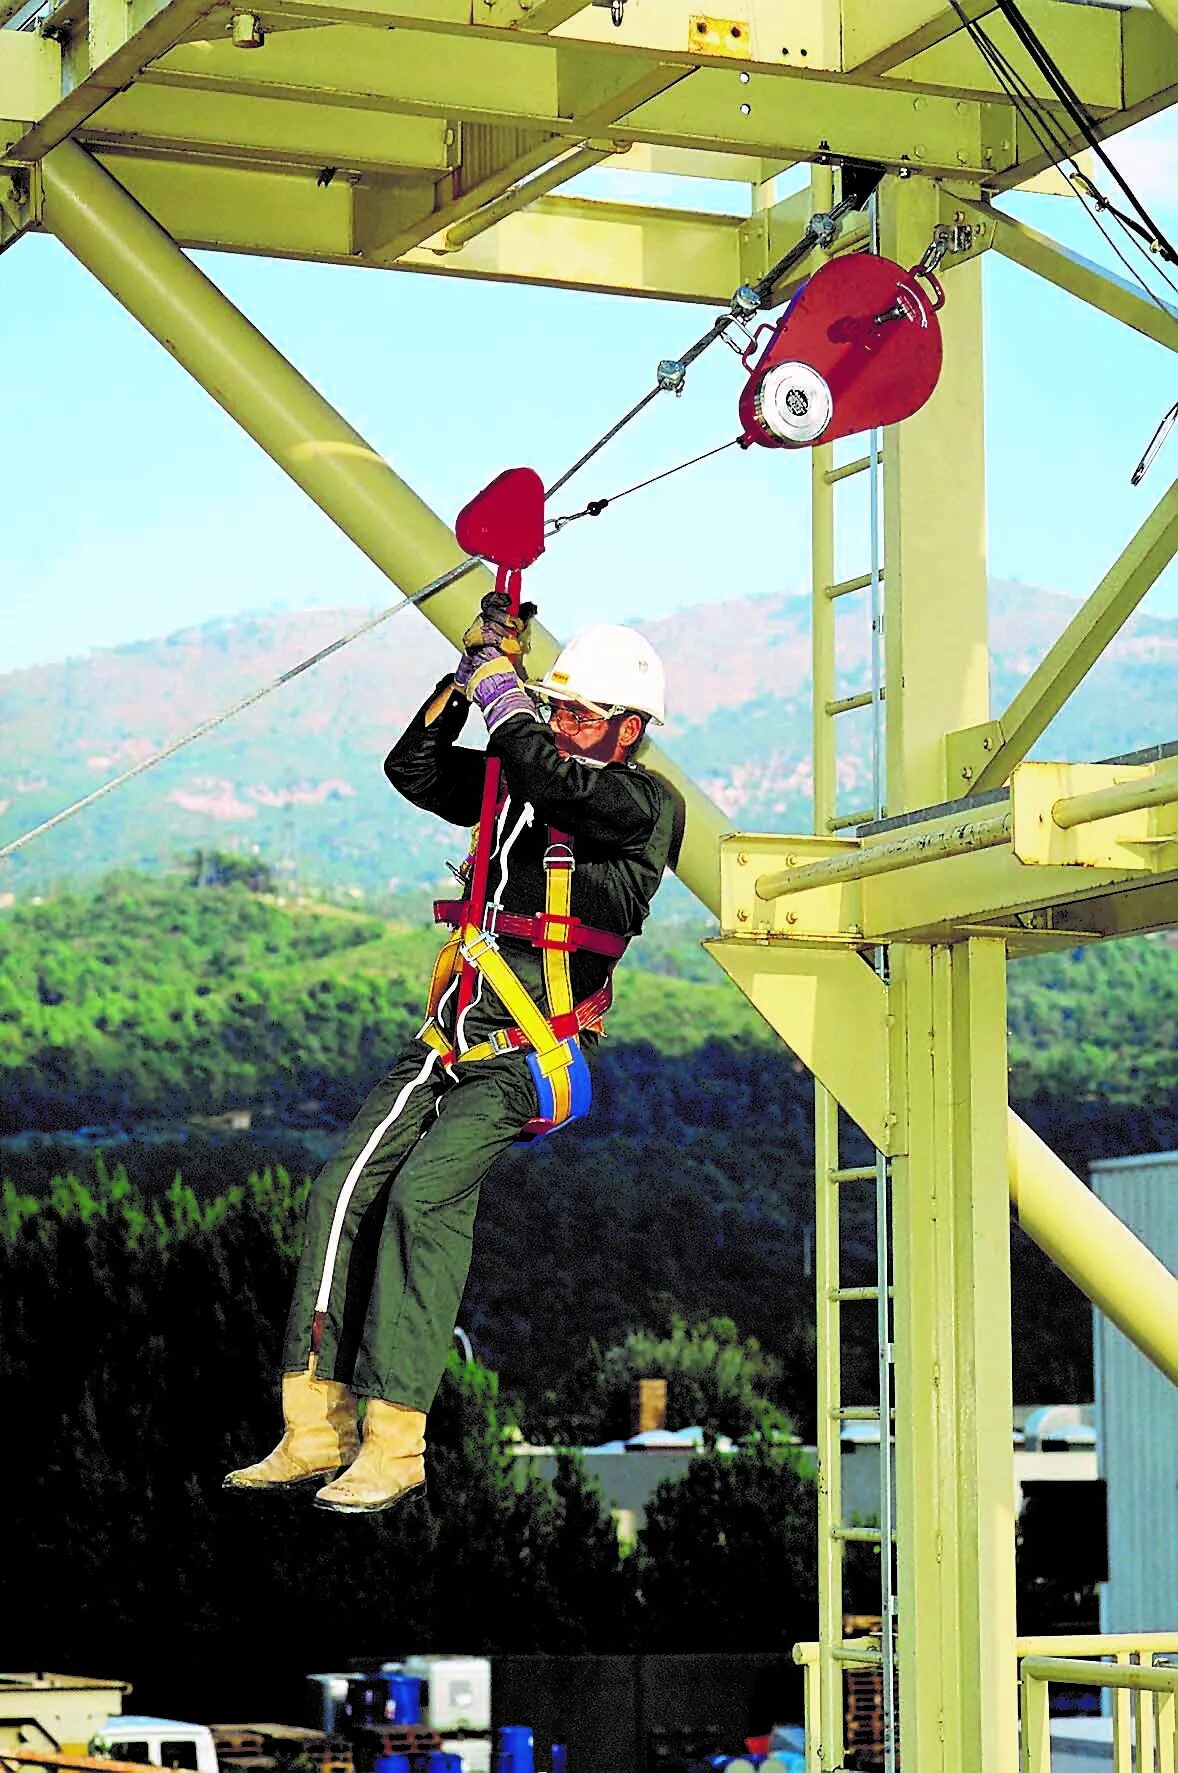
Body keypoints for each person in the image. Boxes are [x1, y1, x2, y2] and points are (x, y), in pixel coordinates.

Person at [223, 599, 677, 1514]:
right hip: (450, 1033)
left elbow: (562, 786)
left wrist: (503, 691)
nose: (562, 725)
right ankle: (313, 1425)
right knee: (340, 1190)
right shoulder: (523, 775)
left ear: (630, 731)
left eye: (582, 715)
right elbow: (415, 767)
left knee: (424, 1198)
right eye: (558, 710)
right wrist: (465, 678)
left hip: (526, 1052)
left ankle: (396, 1443)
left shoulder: (639, 804)